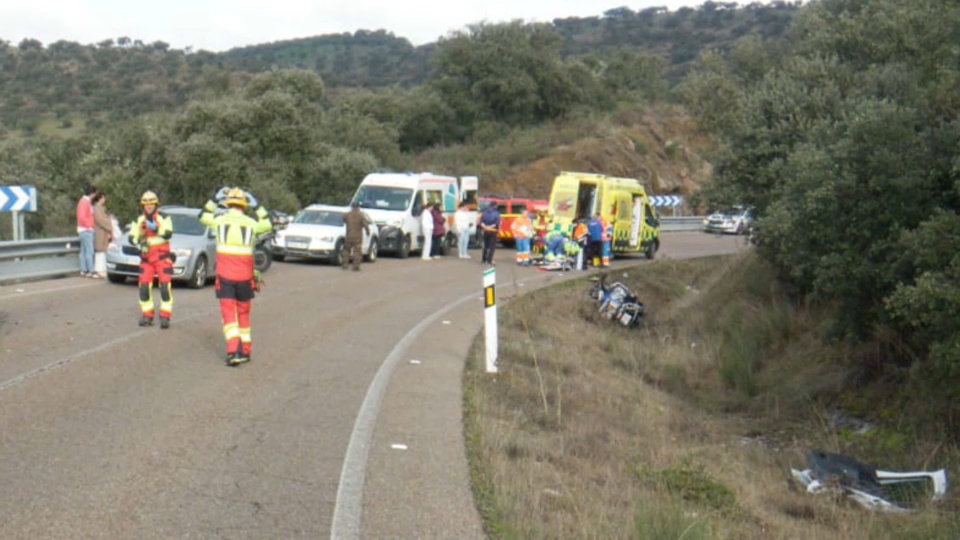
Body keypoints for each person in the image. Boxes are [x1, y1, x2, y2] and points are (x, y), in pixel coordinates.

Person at [199, 187, 273, 366]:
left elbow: (202, 215)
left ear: (228, 204)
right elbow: (268, 223)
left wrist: (214, 198)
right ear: (244, 205)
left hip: (225, 277)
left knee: (229, 315)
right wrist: (257, 205)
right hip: (245, 278)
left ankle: (233, 352)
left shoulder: (219, 220)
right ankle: (245, 351)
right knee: (243, 315)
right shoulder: (251, 223)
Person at [128, 191, 174, 328]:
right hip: (146, 259)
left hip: (162, 258)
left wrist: (157, 229)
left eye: (151, 204)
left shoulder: (164, 218)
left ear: (156, 204)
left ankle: (165, 317)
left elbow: (168, 234)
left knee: (165, 288)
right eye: (146, 204)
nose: (149, 207)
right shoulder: (138, 220)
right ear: (143, 205)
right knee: (143, 288)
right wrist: (140, 236)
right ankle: (147, 315)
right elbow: (131, 238)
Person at [75, 185, 97, 278]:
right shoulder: (85, 202)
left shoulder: (83, 202)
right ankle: (90, 270)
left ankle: (84, 270)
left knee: (83, 251)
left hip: (82, 229)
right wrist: (90, 225)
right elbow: (82, 217)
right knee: (89, 251)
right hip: (86, 230)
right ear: (92, 193)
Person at [342, 202, 370, 271]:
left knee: (346, 250)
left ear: (352, 207)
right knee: (357, 251)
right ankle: (356, 266)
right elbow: (365, 224)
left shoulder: (347, 215)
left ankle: (345, 264)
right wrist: (367, 231)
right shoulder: (361, 215)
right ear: (358, 207)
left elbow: (344, 220)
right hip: (358, 236)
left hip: (348, 235)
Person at [92, 191, 113, 279]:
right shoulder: (96, 208)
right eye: (103, 198)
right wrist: (109, 224)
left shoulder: (101, 208)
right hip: (99, 232)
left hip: (103, 232)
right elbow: (100, 220)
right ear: (100, 198)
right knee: (99, 251)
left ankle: (102, 269)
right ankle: (99, 270)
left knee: (102, 251)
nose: (104, 200)